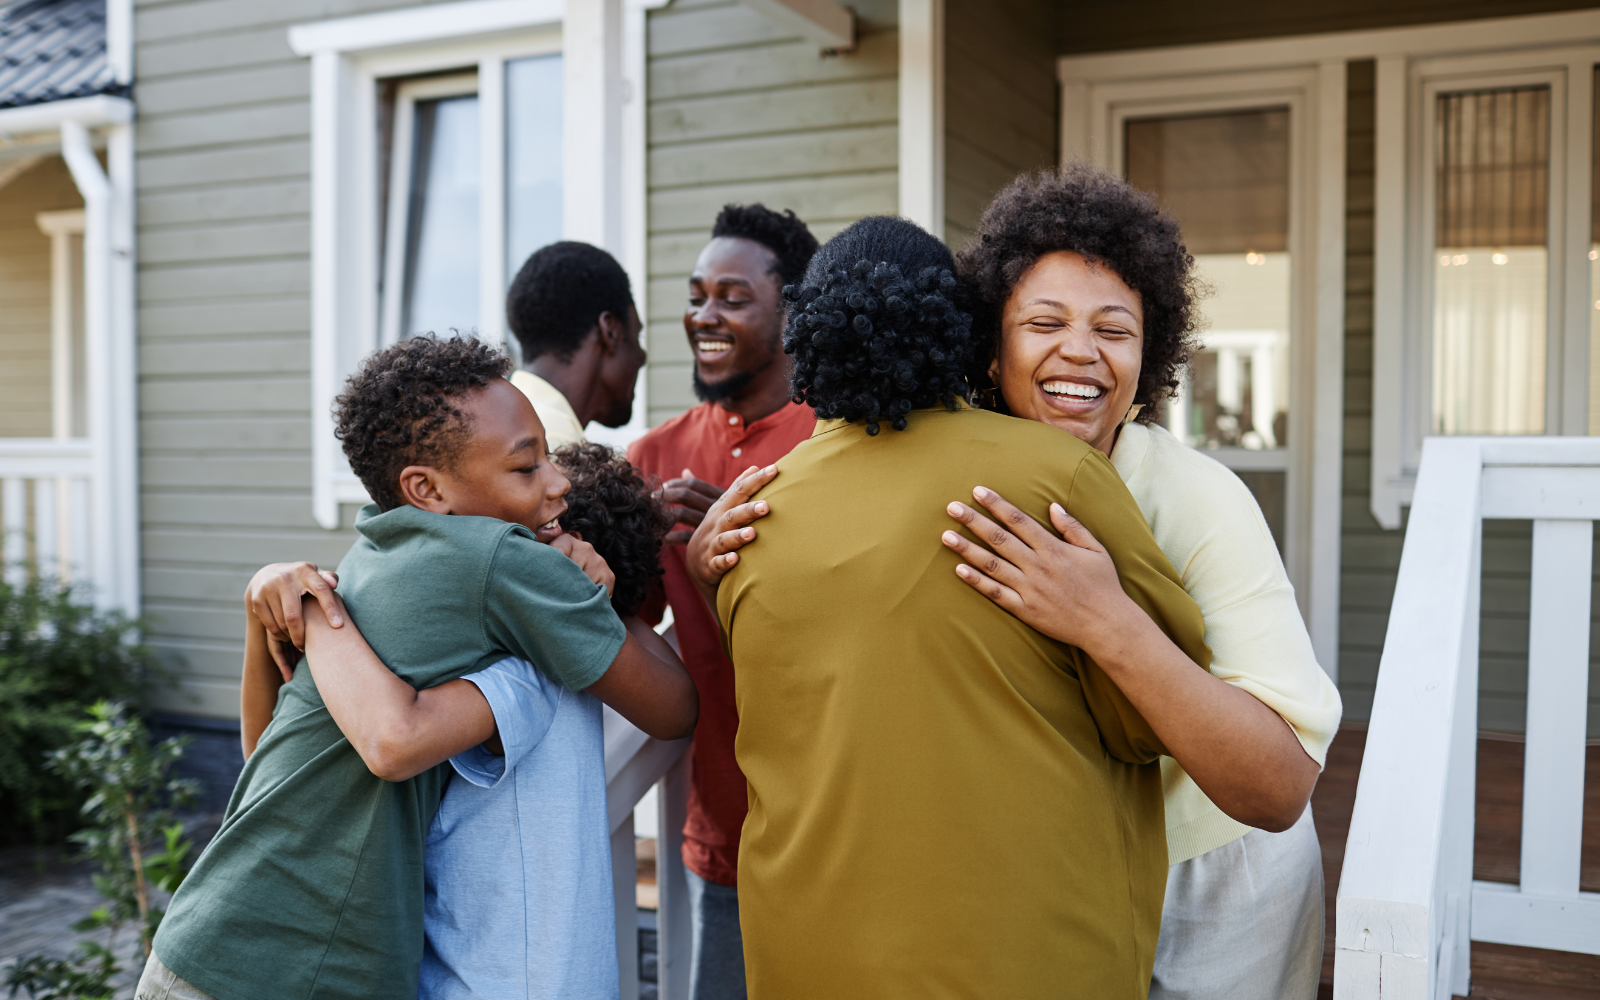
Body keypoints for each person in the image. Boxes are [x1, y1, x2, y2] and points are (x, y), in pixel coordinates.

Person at [685, 216, 1211, 999]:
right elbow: (1152, 721)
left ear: (807, 336)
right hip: (1024, 955)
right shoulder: (1055, 476)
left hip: (804, 954)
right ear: (965, 333)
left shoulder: (752, 514)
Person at [142, 336, 696, 1000]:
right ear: (427, 488)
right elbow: (674, 709)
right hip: (295, 965)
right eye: (526, 469)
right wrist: (594, 597)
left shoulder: (371, 555)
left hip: (207, 930)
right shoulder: (505, 559)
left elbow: (263, 751)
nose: (558, 484)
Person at [941, 166, 1342, 999]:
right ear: (990, 342)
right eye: (1043, 322)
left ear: (1148, 353)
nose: (1080, 351)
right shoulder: (951, 472)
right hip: (1049, 867)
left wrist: (1106, 620)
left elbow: (1277, 786)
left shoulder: (1201, 499)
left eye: (1114, 330)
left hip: (1214, 877)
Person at [625, 203, 818, 1000]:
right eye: (698, 293)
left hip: (843, 826)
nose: (704, 314)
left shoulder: (834, 441)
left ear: (791, 310)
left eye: (732, 297)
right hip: (727, 827)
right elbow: (615, 626)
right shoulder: (654, 457)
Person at [507, 241, 647, 449]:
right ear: (610, 332)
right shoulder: (551, 437)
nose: (641, 356)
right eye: (637, 336)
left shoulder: (506, 419)